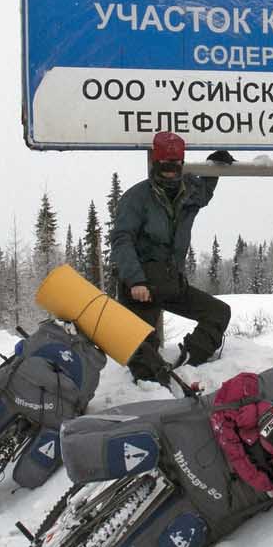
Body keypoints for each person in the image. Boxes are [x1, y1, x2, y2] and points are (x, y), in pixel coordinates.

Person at [110, 131, 235, 384]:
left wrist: (214, 166)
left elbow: (205, 192)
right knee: (145, 364)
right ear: (155, 163)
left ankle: (188, 361)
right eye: (164, 165)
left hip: (170, 283)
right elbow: (122, 240)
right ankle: (154, 383)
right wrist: (135, 281)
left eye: (175, 165)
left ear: (181, 164)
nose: (169, 171)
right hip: (141, 289)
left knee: (218, 313)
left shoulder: (189, 192)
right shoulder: (137, 198)